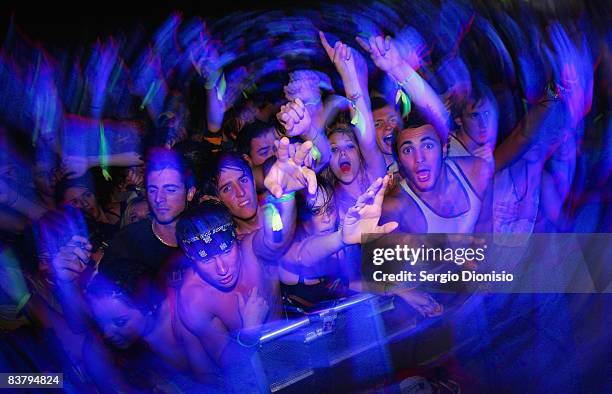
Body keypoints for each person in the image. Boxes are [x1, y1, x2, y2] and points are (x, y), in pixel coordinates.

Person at [175, 138, 316, 374]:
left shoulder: (250, 248)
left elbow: (274, 241)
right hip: (255, 377)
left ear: (235, 241)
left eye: (225, 250)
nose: (222, 268)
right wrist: (249, 332)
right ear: (191, 260)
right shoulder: (193, 298)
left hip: (296, 351)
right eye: (207, 259)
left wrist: (285, 197)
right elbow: (229, 364)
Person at [84, 263, 220, 392]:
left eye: (120, 322)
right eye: (101, 322)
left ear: (147, 305)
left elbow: (212, 382)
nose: (107, 333)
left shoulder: (183, 318)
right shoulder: (140, 335)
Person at [99, 147, 196, 290]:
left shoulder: (202, 234)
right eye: (152, 190)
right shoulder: (128, 241)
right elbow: (102, 297)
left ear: (190, 193)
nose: (158, 198)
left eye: (170, 190)